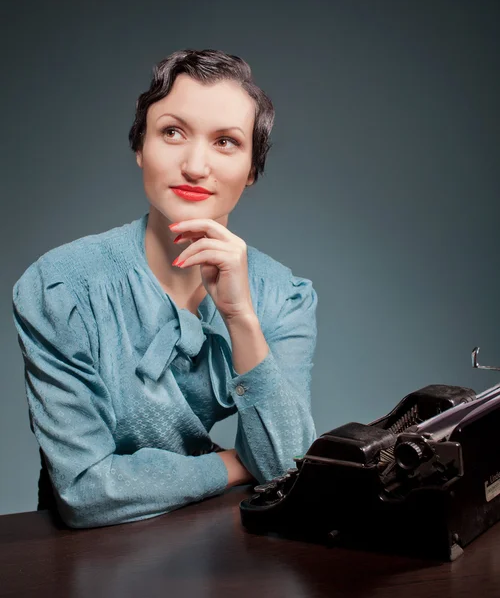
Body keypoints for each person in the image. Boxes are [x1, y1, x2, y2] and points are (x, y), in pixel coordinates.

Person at [12, 48, 318, 529]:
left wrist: (240, 319)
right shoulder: (61, 288)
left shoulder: (285, 296)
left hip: (219, 550)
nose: (196, 166)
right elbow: (85, 489)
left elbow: (287, 467)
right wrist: (235, 464)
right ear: (140, 146)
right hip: (85, 559)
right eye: (173, 132)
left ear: (253, 169)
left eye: (226, 141)